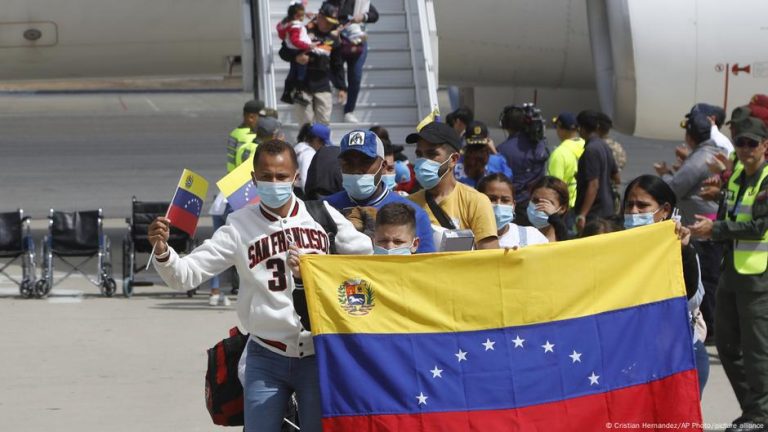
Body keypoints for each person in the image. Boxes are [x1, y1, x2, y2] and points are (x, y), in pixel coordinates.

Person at [148, 139, 372, 432]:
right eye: (266, 177)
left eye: (281, 176)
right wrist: (163, 251)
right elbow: (186, 275)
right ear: (254, 179)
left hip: (317, 353)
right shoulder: (239, 225)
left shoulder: (322, 215)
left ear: (296, 177)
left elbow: (367, 257)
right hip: (266, 354)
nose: (274, 183)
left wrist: (322, 264)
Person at [689, 117, 768, 431]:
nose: (746, 149)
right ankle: (754, 410)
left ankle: (760, 416)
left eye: (752, 143)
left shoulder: (765, 180)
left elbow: (759, 226)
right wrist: (716, 205)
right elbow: (733, 214)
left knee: (757, 352)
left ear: (765, 146)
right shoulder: (736, 178)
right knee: (726, 345)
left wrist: (716, 227)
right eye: (741, 143)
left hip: (757, 278)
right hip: (731, 272)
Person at [623, 174, 708, 397]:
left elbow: (690, 298)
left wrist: (684, 252)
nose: (633, 212)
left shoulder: (679, 244)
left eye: (642, 206)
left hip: (677, 357)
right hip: (630, 358)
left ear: (664, 210)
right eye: (629, 205)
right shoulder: (613, 244)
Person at [656, 112, 727, 338]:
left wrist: (662, 180)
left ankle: (712, 329)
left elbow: (675, 188)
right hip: (707, 226)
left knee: (706, 278)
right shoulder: (710, 152)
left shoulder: (699, 158)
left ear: (690, 135)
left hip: (702, 230)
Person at [324, 129, 436, 253]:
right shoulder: (324, 209)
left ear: (382, 166)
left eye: (365, 161)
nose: (357, 169)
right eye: (348, 163)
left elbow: (427, 266)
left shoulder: (414, 214)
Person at [406, 122, 499, 249]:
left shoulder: (476, 201)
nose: (423, 161)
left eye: (431, 154)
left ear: (453, 159)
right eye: (419, 154)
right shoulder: (407, 205)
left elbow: (490, 257)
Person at [279, 2, 344, 125]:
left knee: (324, 124)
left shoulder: (334, 37)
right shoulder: (302, 30)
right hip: (301, 86)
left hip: (322, 84)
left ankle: (322, 145)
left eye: (332, 22)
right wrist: (296, 57)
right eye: (327, 21)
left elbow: (337, 64)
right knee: (306, 124)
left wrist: (342, 87)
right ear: (319, 17)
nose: (330, 25)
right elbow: (283, 52)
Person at [495, 104, 549, 224]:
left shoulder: (502, 150)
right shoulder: (539, 145)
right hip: (536, 206)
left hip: (514, 206)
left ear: (504, 124)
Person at [328, 0, 379, 123]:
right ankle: (339, 88)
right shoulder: (332, 2)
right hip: (339, 41)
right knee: (331, 67)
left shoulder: (359, 2)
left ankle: (349, 110)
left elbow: (374, 15)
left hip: (357, 43)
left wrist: (363, 16)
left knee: (355, 76)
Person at [574, 110, 620, 233]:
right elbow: (617, 178)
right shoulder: (604, 146)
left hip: (594, 212)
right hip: (608, 208)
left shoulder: (590, 150)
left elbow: (593, 185)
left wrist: (582, 214)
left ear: (581, 128)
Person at [477, 173, 547, 249]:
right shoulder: (467, 239)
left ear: (513, 205)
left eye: (505, 200)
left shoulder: (532, 236)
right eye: (492, 199)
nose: (498, 205)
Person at [277, 1, 319, 106]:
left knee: (294, 71)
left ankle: (288, 93)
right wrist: (308, 46)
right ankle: (297, 93)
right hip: (299, 50)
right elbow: (295, 41)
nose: (303, 17)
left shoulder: (289, 24)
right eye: (302, 15)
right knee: (300, 73)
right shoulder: (295, 27)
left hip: (295, 50)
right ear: (296, 16)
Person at [453, 121, 512, 188]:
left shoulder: (455, 161)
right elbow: (508, 181)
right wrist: (494, 151)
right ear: (488, 141)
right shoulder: (497, 161)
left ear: (466, 140)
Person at [547, 112, 585, 209]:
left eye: (557, 127)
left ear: (561, 128)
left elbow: (554, 186)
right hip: (585, 203)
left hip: (568, 206)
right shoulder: (586, 145)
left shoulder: (560, 153)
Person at [303, 123, 343, 200]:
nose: (324, 146)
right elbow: (304, 180)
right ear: (316, 140)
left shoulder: (301, 148)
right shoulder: (308, 153)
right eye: (323, 143)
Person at [528, 176, 570, 242]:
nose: (540, 206)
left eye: (547, 203)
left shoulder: (566, 241)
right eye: (535, 201)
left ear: (562, 209)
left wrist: (554, 217)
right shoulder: (519, 236)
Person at [227, 100, 264, 173]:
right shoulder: (250, 136)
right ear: (251, 117)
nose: (263, 121)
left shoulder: (234, 133)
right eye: (261, 117)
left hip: (233, 176)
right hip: (245, 177)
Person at [292, 123, 316, 194]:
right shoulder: (308, 153)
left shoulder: (297, 148)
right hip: (303, 191)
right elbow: (305, 177)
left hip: (294, 189)